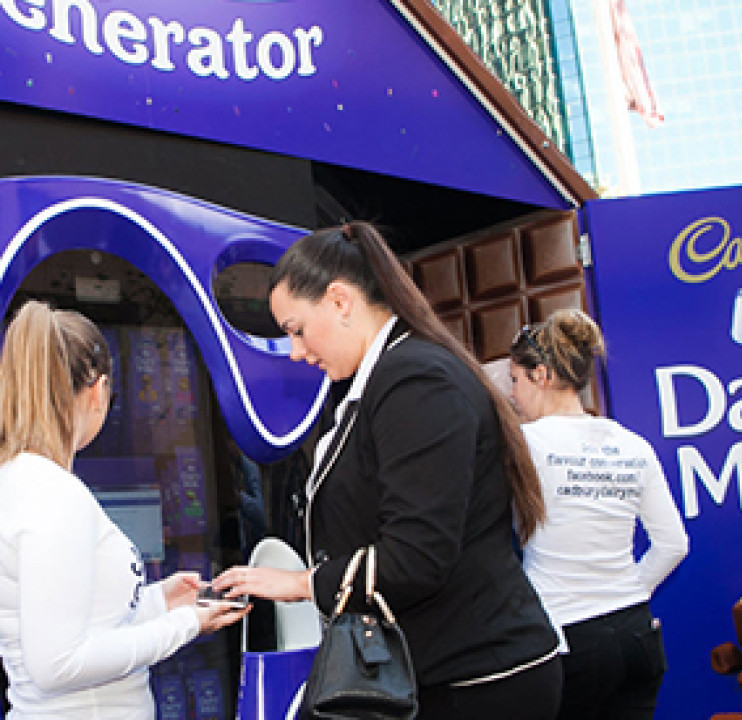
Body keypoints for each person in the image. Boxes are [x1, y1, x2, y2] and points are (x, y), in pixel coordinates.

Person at [212, 222, 562, 720]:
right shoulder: (387, 378)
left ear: (340, 301)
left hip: (476, 680)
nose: (296, 351)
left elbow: (416, 556)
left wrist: (299, 583)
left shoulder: (414, 379)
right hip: (438, 672)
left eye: (296, 329)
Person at [0, 301, 248, 720]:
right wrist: (187, 624)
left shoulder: (4, 479)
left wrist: (158, 602)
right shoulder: (54, 495)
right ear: (98, 391)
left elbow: (73, 620)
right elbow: (58, 665)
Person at [508, 309, 689, 720]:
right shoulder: (633, 444)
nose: (513, 396)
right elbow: (674, 544)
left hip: (570, 642)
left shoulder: (523, 445)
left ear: (541, 376)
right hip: (637, 636)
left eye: (516, 381)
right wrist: (628, 593)